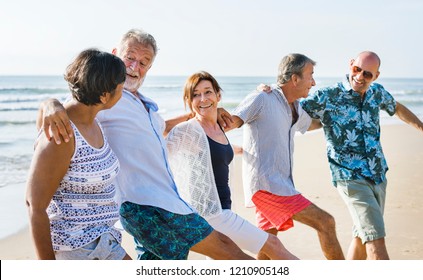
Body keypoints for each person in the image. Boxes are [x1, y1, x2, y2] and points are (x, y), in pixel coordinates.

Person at [38, 29, 254, 260]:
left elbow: (160, 129)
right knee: (226, 249)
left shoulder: (143, 104)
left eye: (143, 62)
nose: (134, 67)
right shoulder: (107, 98)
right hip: (144, 204)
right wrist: (50, 104)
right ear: (114, 54)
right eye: (129, 58)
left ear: (149, 68)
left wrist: (205, 112)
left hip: (166, 199)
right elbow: (72, 107)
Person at [300, 51, 423, 260]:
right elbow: (292, 110)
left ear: (375, 76)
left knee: (362, 236)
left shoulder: (377, 93)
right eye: (357, 70)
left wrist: (421, 127)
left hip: (377, 173)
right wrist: (268, 92)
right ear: (350, 65)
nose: (359, 77)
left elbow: (397, 108)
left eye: (367, 74)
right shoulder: (328, 95)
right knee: (375, 240)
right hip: (349, 176)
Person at [166, 71, 299, 260]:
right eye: (195, 94)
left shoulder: (220, 126)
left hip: (223, 210)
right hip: (212, 214)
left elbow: (215, 151)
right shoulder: (188, 130)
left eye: (208, 92)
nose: (203, 98)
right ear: (189, 100)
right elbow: (158, 150)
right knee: (273, 245)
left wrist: (260, 91)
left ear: (218, 95)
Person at [225, 53, 345, 260]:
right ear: (295, 79)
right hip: (268, 187)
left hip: (280, 184)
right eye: (310, 75)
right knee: (326, 222)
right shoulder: (262, 98)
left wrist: (338, 119)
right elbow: (232, 122)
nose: (314, 82)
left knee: (268, 243)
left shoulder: (295, 107)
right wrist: (209, 116)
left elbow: (312, 124)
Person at [26, 48, 131, 260]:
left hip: (104, 240)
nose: (124, 89)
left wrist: (49, 103)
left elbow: (46, 114)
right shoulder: (63, 136)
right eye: (121, 86)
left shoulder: (94, 122)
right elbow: (34, 206)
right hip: (76, 249)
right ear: (104, 95)